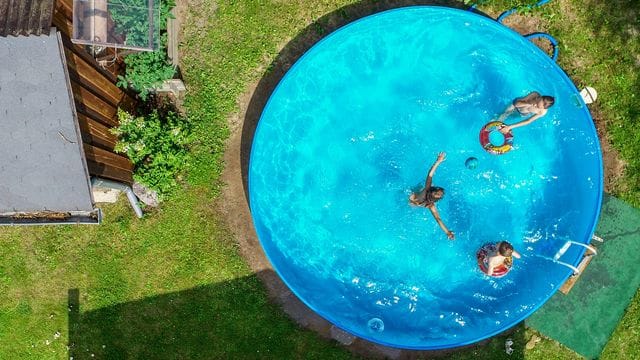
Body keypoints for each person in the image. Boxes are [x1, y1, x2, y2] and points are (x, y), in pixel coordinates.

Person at [409, 152, 454, 240]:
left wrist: (438, 161)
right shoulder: (431, 205)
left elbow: (430, 174)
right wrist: (447, 232)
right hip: (415, 206)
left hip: (409, 197)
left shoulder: (427, 188)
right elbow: (438, 219)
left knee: (416, 188)